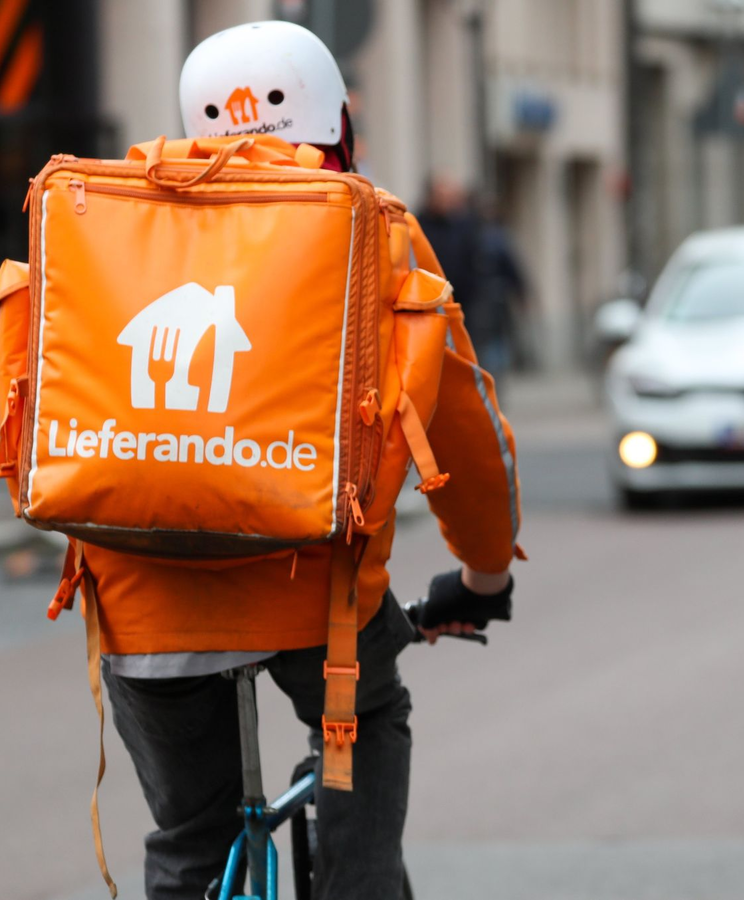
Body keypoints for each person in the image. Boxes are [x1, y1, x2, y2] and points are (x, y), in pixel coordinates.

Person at [93, 22, 522, 900]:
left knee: (191, 837)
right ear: (339, 127)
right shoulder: (376, 231)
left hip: (142, 602)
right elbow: (466, 436)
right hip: (316, 602)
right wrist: (483, 577)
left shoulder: (119, 228)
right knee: (369, 714)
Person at [415, 179, 527, 387]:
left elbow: (484, 262)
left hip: (468, 303)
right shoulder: (419, 224)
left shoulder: (465, 226)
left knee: (476, 351)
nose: (447, 201)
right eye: (442, 196)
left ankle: (484, 386)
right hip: (431, 303)